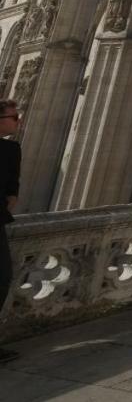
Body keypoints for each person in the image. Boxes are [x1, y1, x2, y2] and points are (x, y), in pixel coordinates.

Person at [0, 99, 21, 363]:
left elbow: (11, 192)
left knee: (3, 278)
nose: (18, 121)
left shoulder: (10, 149)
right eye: (14, 117)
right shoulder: (9, 150)